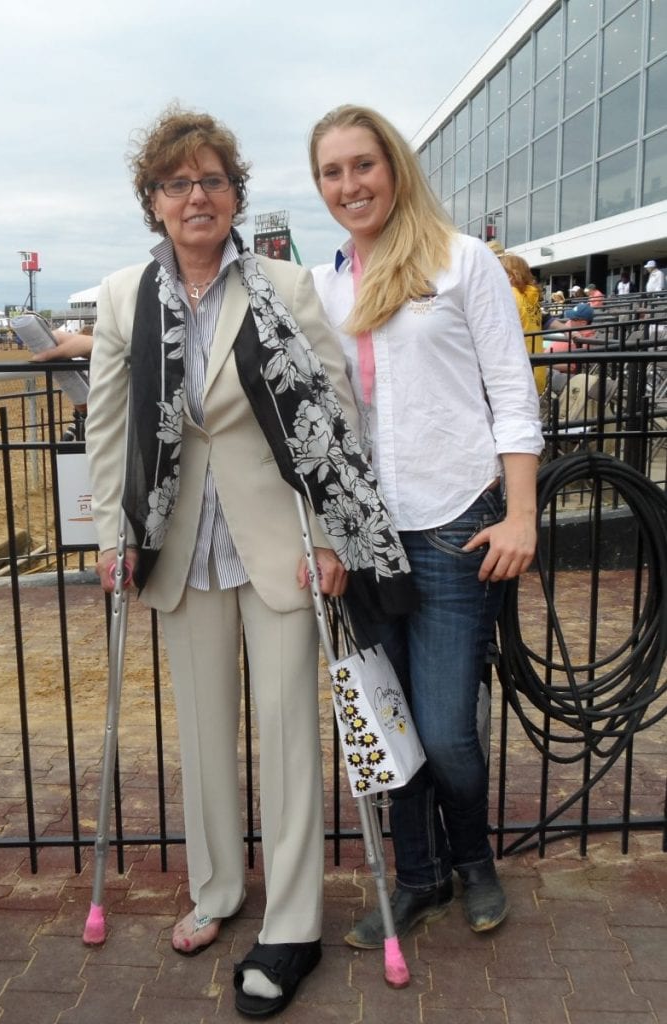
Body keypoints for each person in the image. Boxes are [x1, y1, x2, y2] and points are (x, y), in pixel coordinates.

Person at [84, 104, 410, 1018]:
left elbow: (331, 417)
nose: (198, 196)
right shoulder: (123, 297)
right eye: (178, 183)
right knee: (202, 735)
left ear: (236, 194)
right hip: (177, 542)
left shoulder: (283, 285)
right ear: (153, 200)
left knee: (289, 737)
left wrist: (337, 537)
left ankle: (294, 921)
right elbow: (108, 427)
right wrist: (114, 534)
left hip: (282, 544)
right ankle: (220, 889)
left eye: (213, 180)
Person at [307, 104, 543, 946]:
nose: (348, 185)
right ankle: (417, 877)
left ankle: (473, 860)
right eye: (331, 172)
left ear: (394, 167)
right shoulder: (326, 283)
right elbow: (317, 421)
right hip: (367, 535)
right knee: (389, 718)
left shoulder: (459, 262)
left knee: (445, 727)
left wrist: (521, 513)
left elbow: (512, 394)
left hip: (453, 522)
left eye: (361, 165)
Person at [498, 252, 546, 394]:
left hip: (516, 373)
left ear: (509, 276)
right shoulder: (531, 297)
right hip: (536, 369)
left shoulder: (509, 295)